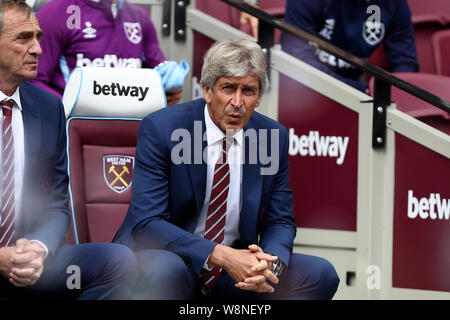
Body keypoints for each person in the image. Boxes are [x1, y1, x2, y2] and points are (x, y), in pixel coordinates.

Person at [113, 38, 340, 299]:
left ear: (259, 98)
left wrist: (269, 264)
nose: (237, 102)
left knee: (320, 274)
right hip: (169, 257)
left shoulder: (271, 136)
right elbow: (147, 223)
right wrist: (219, 254)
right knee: (168, 270)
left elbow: (279, 219)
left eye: (248, 91)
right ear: (207, 91)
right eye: (228, 88)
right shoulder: (163, 129)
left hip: (232, 270)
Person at [0, 0, 137, 299]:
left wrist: (38, 248)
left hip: (29, 262)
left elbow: (56, 203)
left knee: (118, 261)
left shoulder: (49, 108)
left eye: (38, 38)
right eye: (24, 38)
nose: (37, 49)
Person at [30, 0, 185, 105]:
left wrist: (168, 89)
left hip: (130, 126)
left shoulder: (139, 17)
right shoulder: (57, 12)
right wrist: (67, 108)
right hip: (73, 128)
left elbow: (159, 74)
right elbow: (32, 81)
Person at [281, 0, 419, 92]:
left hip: (355, 91)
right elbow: (298, 62)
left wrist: (387, 95)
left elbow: (405, 63)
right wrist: (362, 91)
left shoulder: (395, 4)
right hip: (300, 91)